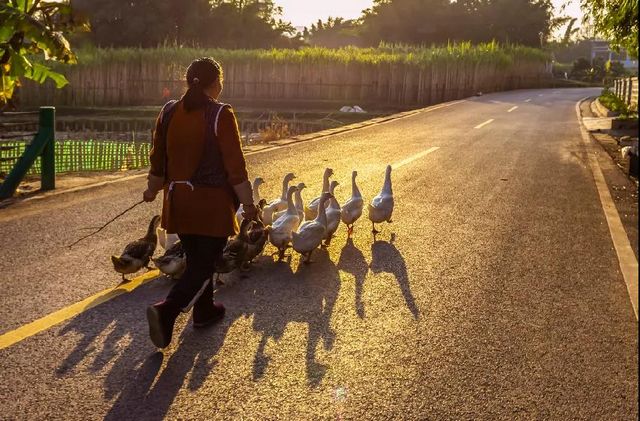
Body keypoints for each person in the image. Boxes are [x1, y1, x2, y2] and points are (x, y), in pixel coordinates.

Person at [142, 57, 258, 349]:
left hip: (177, 202)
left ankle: (204, 310)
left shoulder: (169, 111)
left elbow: (158, 159)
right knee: (204, 264)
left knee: (197, 260)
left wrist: (152, 190)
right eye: (221, 81)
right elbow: (236, 167)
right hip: (211, 207)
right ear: (216, 83)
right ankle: (166, 310)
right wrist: (250, 205)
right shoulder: (220, 114)